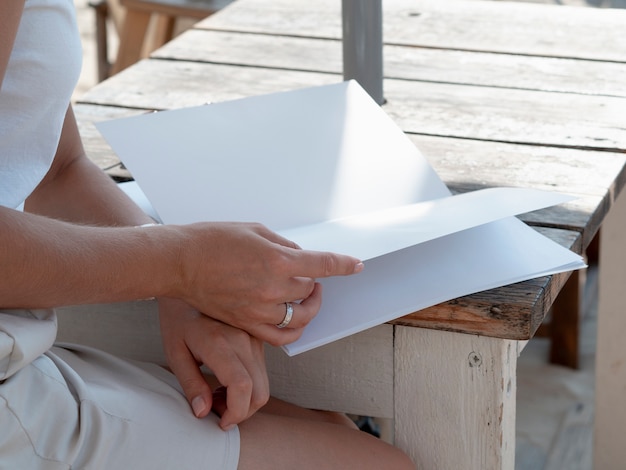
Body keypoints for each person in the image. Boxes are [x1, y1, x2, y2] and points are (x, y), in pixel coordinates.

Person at [0, 1, 414, 468]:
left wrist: (179, 291)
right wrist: (180, 264)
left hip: (23, 349)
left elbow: (56, 168)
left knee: (331, 428)